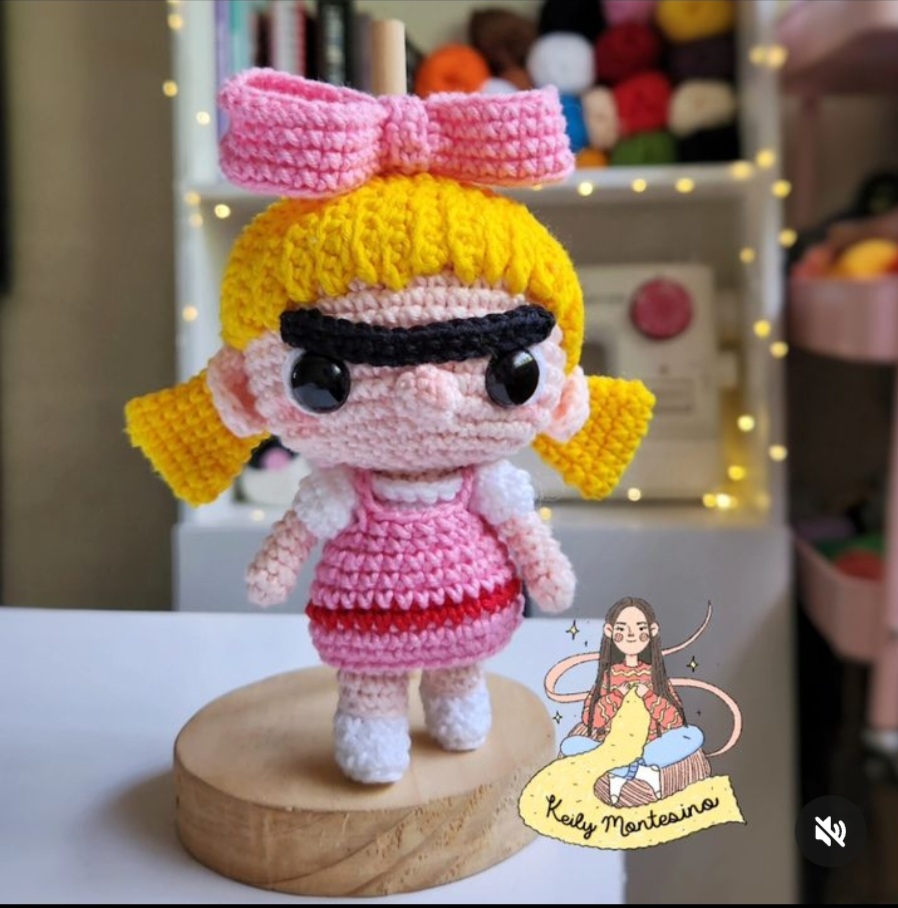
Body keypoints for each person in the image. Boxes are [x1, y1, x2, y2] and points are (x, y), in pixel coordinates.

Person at [125, 73, 655, 786]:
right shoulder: (344, 489)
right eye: (326, 377)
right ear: (251, 384)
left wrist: (546, 568)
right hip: (365, 623)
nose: (426, 397)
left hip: (465, 619)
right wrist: (274, 566)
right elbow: (298, 534)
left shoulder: (485, 483)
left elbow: (524, 531)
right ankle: (375, 719)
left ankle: (454, 697)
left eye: (509, 372)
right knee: (371, 689)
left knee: (460, 686)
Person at [560, 596, 705, 804]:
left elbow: (674, 721)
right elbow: (592, 719)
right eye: (622, 628)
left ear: (652, 630)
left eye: (639, 628)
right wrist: (617, 695)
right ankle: (627, 769)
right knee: (572, 745)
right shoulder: (608, 677)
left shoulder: (655, 676)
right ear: (609, 631)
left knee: (692, 735)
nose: (630, 634)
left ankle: (633, 769)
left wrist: (648, 696)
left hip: (650, 746)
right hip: (613, 747)